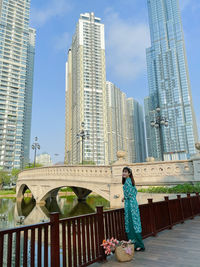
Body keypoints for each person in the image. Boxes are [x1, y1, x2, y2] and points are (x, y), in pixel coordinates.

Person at [122, 166, 145, 251]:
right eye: (123, 172)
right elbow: (133, 191)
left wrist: (126, 197)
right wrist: (125, 197)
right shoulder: (129, 181)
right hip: (131, 203)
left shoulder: (128, 181)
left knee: (133, 224)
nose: (123, 173)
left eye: (125, 172)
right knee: (133, 223)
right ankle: (134, 244)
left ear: (129, 173)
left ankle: (138, 244)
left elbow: (132, 193)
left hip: (131, 205)